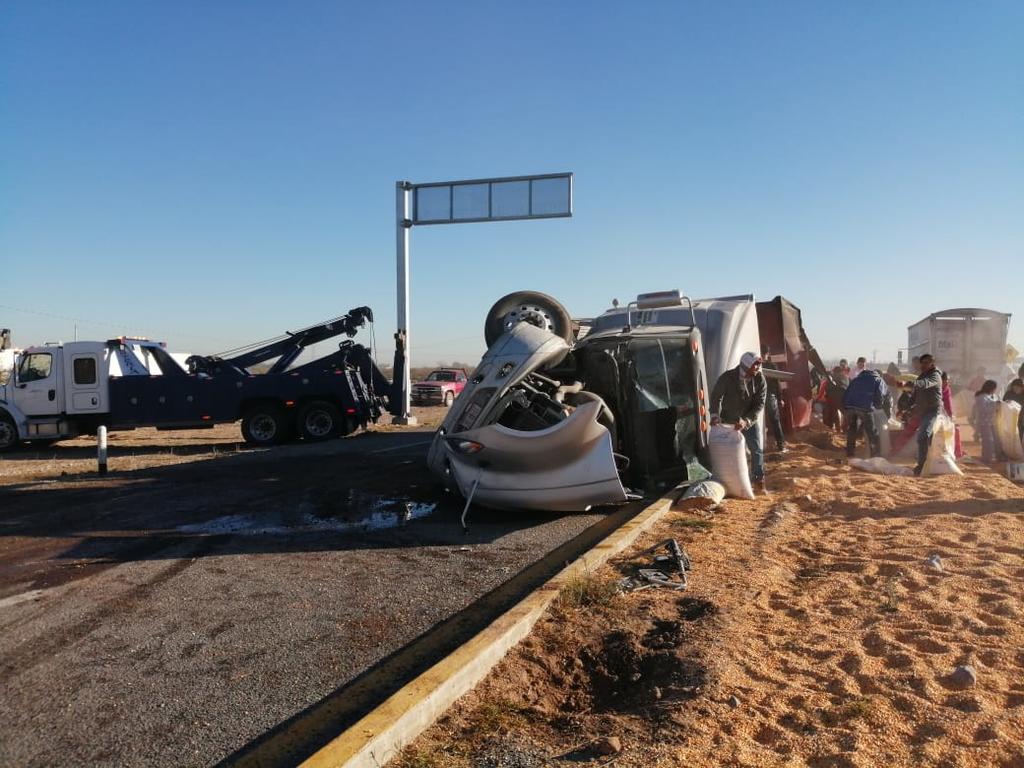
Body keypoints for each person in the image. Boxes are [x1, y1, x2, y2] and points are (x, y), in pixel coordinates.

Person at [709, 352, 768, 492]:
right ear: (746, 366)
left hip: (748, 420)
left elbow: (759, 404)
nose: (758, 368)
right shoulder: (727, 377)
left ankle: (759, 481)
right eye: (755, 365)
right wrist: (714, 415)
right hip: (729, 421)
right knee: (729, 450)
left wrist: (746, 421)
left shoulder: (760, 379)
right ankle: (728, 481)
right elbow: (716, 396)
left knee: (756, 449)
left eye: (759, 365)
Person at [909, 354, 943, 476]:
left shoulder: (935, 375)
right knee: (928, 438)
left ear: (932, 364)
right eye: (922, 363)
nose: (923, 365)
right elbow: (915, 395)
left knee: (923, 436)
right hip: (923, 411)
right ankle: (929, 462)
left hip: (933, 411)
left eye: (926, 363)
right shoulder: (921, 376)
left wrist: (915, 383)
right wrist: (907, 407)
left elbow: (926, 383)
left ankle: (921, 465)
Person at [842, 367, 887, 458]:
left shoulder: (856, 379)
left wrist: (846, 407)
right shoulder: (878, 379)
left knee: (852, 429)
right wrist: (877, 406)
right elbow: (880, 395)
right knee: (872, 432)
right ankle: (876, 456)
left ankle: (850, 454)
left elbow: (846, 392)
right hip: (864, 407)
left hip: (849, 406)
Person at [761, 348, 787, 453]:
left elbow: (777, 385)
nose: (763, 356)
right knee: (773, 420)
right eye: (762, 354)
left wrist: (780, 398)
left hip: (769, 395)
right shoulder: (759, 365)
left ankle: (781, 444)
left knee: (774, 420)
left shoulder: (771, 366)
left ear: (767, 354)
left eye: (764, 354)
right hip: (761, 396)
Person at [970, 380, 1001, 463]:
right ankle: (987, 458)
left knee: (997, 440)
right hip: (984, 423)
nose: (995, 390)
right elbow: (982, 410)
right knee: (988, 441)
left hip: (993, 422)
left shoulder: (993, 396)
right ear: (991, 388)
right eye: (994, 388)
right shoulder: (981, 397)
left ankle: (997, 456)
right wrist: (995, 405)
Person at [941, 371, 964, 459]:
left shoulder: (946, 389)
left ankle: (955, 452)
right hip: (930, 414)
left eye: (947, 380)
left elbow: (948, 403)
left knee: (954, 430)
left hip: (941, 415)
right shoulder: (933, 388)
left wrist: (950, 416)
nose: (947, 382)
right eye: (945, 380)